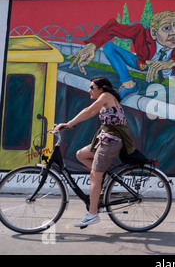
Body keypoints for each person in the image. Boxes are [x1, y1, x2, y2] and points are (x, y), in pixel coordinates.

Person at [54, 76, 135, 227]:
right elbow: (91, 112)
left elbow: (89, 110)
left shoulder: (106, 96)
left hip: (111, 142)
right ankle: (101, 182)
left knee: (94, 175)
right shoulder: (107, 98)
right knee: (81, 154)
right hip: (104, 139)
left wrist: (69, 124)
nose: (89, 90)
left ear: (101, 88)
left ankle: (92, 214)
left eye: (92, 87)